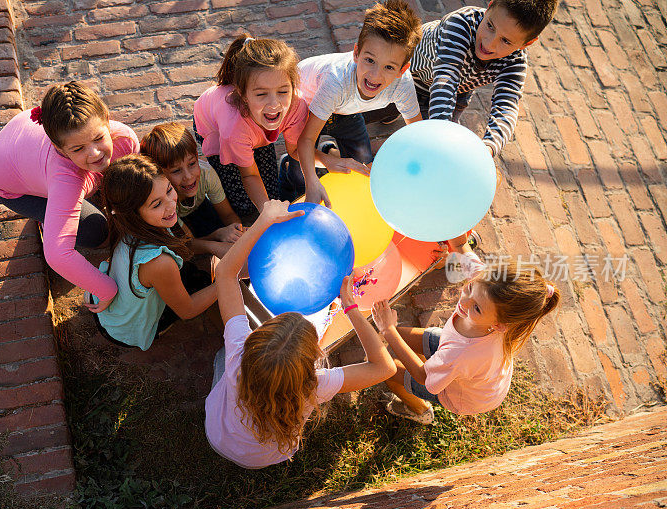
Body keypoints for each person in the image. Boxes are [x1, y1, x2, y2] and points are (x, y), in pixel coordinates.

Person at [205, 199, 396, 469]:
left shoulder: (238, 355)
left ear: (254, 343)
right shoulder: (313, 387)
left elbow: (225, 272)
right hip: (264, 458)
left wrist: (264, 220)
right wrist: (351, 307)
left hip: (218, 435)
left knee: (222, 356)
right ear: (311, 361)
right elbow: (384, 368)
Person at [0, 81, 139, 313]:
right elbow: (57, 255)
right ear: (59, 148)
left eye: (98, 138)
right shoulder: (64, 178)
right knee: (96, 231)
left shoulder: (125, 140)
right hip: (12, 185)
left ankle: (60, 210)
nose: (95, 153)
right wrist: (108, 290)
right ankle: (48, 218)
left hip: (24, 146)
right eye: (78, 149)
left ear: (107, 120)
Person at [371, 237, 560, 424]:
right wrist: (454, 237)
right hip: (468, 362)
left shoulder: (462, 354)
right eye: (469, 287)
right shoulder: (487, 285)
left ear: (498, 325)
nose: (463, 302)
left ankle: (420, 410)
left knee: (390, 369)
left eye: (476, 308)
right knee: (401, 337)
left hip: (462, 394)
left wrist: (388, 330)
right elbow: (461, 245)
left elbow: (423, 377)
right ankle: (434, 364)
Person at [285, 0, 423, 205]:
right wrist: (314, 179)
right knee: (301, 169)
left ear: (402, 70)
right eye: (370, 60)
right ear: (356, 53)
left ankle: (327, 151)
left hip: (345, 109)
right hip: (305, 104)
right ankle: (287, 176)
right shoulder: (336, 81)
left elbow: (418, 133)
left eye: (389, 67)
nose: (375, 75)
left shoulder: (402, 84)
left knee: (362, 165)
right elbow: (303, 142)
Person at [85, 155, 217, 350]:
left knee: (188, 272)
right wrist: (229, 278)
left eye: (169, 190)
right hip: (124, 330)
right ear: (133, 213)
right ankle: (156, 326)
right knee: (204, 282)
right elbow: (187, 310)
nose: (171, 204)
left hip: (114, 311)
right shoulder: (159, 262)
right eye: (156, 204)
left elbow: (186, 244)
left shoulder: (130, 226)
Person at [402, 0, 558, 157]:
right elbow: (446, 79)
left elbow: (506, 108)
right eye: (490, 26)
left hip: (458, 93)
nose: (489, 44)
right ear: (489, 6)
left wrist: (488, 148)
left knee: (434, 147)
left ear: (527, 43)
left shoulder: (515, 61)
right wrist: (441, 132)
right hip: (409, 76)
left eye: (506, 41)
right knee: (397, 118)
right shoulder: (460, 23)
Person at [193, 35, 308, 221]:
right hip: (215, 129)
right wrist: (267, 215)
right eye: (261, 94)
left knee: (271, 194)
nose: (274, 104)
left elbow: (297, 150)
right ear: (242, 94)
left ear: (293, 87)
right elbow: (249, 175)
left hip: (251, 129)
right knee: (242, 203)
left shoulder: (297, 104)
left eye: (283, 91)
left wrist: (326, 162)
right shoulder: (233, 129)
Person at [140, 122, 244, 259]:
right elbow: (188, 244)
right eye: (176, 170)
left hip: (197, 207)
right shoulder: (163, 200)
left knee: (215, 224)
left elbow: (228, 214)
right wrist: (216, 239)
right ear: (159, 174)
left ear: (197, 156)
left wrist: (239, 233)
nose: (188, 177)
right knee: (179, 251)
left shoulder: (206, 174)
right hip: (172, 219)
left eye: (192, 163)